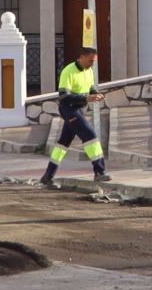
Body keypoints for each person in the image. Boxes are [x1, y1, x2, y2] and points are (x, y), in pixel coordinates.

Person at [38, 47, 109, 189]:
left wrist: (96, 94)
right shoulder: (68, 71)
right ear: (82, 57)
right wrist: (86, 98)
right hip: (68, 109)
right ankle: (100, 171)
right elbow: (63, 96)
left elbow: (91, 88)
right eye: (90, 61)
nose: (92, 64)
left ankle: (48, 176)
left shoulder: (89, 70)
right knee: (90, 135)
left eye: (94, 61)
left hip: (78, 109)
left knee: (63, 144)